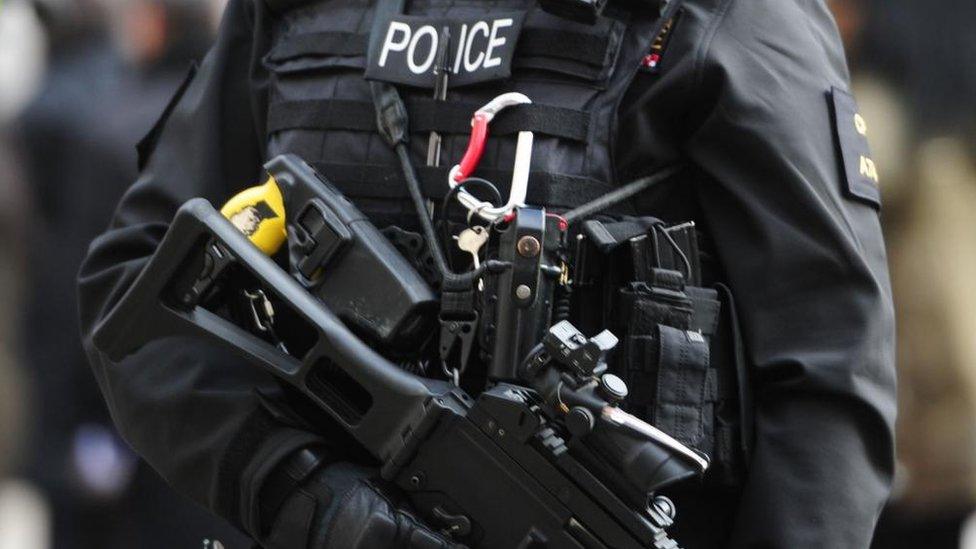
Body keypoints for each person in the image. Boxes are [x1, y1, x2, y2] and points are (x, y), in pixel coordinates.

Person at [78, 0, 896, 547]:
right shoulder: (297, 13)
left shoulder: (716, 18)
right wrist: (299, 489)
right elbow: (136, 293)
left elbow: (828, 376)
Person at [17, 0, 250, 546]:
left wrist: (67, 436)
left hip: (135, 429)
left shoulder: (109, 131)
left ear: (152, 25)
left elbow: (71, 299)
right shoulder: (264, 136)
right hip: (240, 447)